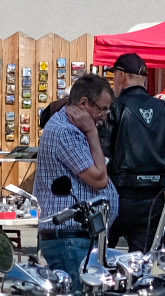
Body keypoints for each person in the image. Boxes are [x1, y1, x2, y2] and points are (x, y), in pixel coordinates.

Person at [36, 75, 117, 274]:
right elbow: (99, 179)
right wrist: (91, 131)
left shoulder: (70, 128)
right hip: (69, 238)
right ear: (83, 103)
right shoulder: (66, 132)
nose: (104, 115)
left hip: (76, 238)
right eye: (102, 109)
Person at [106, 53, 165, 249]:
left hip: (117, 194)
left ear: (122, 76)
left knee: (101, 260)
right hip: (155, 199)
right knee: (143, 262)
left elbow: (103, 155)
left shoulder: (113, 108)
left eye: (114, 75)